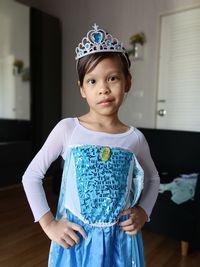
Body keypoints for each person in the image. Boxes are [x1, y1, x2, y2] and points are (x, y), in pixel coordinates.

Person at [22, 24, 160, 267]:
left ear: (127, 82)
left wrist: (143, 211)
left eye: (113, 78)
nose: (103, 88)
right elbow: (31, 176)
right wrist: (49, 224)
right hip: (78, 241)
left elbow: (153, 179)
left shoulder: (134, 138)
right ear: (82, 89)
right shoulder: (68, 129)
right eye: (93, 81)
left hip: (121, 242)